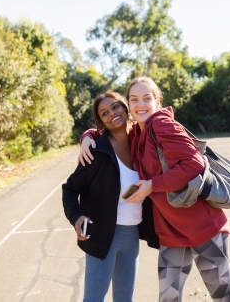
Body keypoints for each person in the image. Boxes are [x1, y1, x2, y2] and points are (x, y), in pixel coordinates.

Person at [80, 77, 230, 302]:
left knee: (224, 297)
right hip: (171, 231)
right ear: (128, 106)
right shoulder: (137, 132)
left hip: (203, 227)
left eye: (147, 98)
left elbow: (194, 165)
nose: (140, 104)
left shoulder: (162, 125)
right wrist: (87, 136)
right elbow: (109, 127)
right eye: (134, 99)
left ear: (157, 101)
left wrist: (152, 185)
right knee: (168, 298)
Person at [62, 91, 158, 302]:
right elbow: (69, 188)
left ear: (125, 107)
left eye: (115, 107)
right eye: (104, 113)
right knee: (94, 299)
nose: (112, 113)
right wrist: (76, 217)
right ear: (101, 122)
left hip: (131, 235)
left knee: (125, 300)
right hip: (102, 235)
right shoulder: (97, 152)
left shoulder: (140, 143)